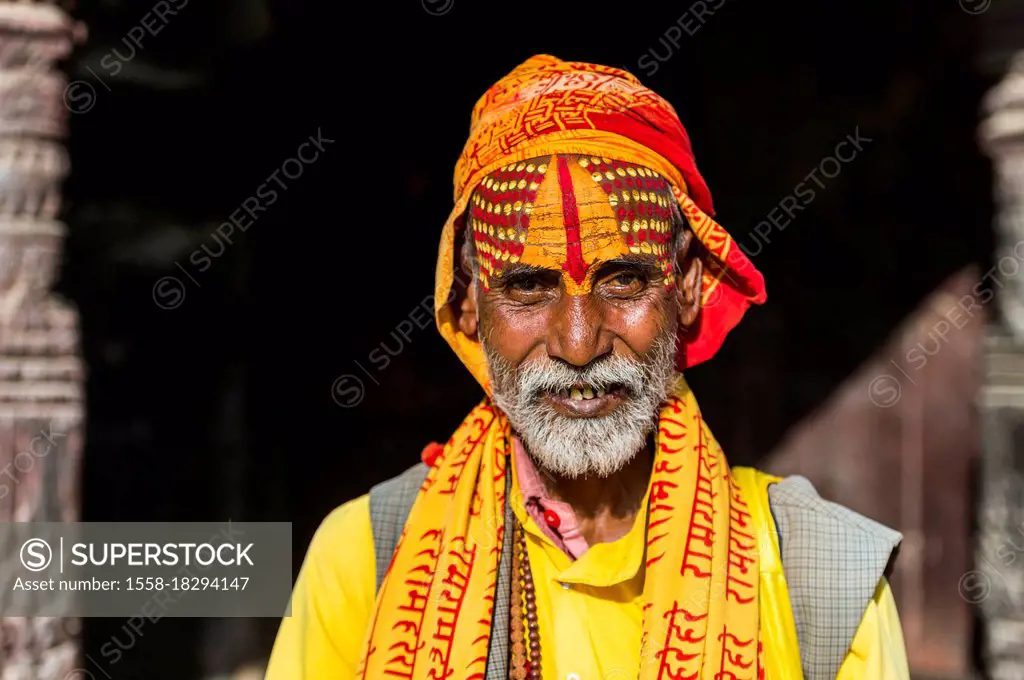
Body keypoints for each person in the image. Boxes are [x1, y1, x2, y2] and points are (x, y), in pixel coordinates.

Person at [265, 54, 910, 680]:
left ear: (684, 287)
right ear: (467, 305)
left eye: (623, 280)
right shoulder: (366, 558)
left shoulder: (822, 577)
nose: (579, 344)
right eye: (527, 286)